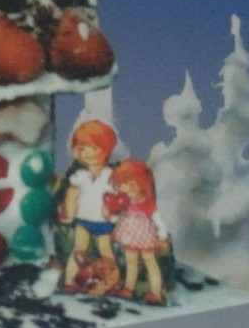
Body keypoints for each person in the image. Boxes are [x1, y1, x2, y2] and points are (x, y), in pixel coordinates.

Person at [59, 120, 118, 293]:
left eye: (93, 147)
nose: (88, 153)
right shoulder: (80, 176)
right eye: (83, 148)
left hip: (103, 221)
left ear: (106, 148)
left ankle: (110, 283)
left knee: (106, 253)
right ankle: (70, 282)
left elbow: (117, 200)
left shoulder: (111, 176)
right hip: (83, 219)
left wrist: (114, 216)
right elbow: (72, 195)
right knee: (78, 250)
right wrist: (69, 214)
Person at [109, 159, 169, 305]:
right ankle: (128, 288)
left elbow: (158, 219)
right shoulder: (125, 202)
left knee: (150, 262)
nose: (125, 188)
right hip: (129, 235)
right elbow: (118, 216)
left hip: (145, 236)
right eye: (121, 184)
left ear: (142, 184)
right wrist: (112, 216)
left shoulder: (147, 203)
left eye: (131, 184)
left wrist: (162, 236)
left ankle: (156, 293)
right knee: (131, 262)